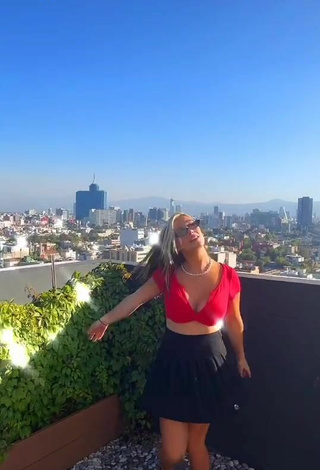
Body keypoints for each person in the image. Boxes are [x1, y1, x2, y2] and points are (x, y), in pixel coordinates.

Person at [88, 213, 251, 470]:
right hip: (174, 364)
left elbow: (234, 321)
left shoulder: (228, 276)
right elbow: (135, 299)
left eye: (193, 225)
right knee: (172, 452)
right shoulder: (169, 275)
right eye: (182, 231)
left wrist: (241, 356)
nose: (191, 231)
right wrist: (104, 320)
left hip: (209, 366)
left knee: (197, 444)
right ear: (175, 244)